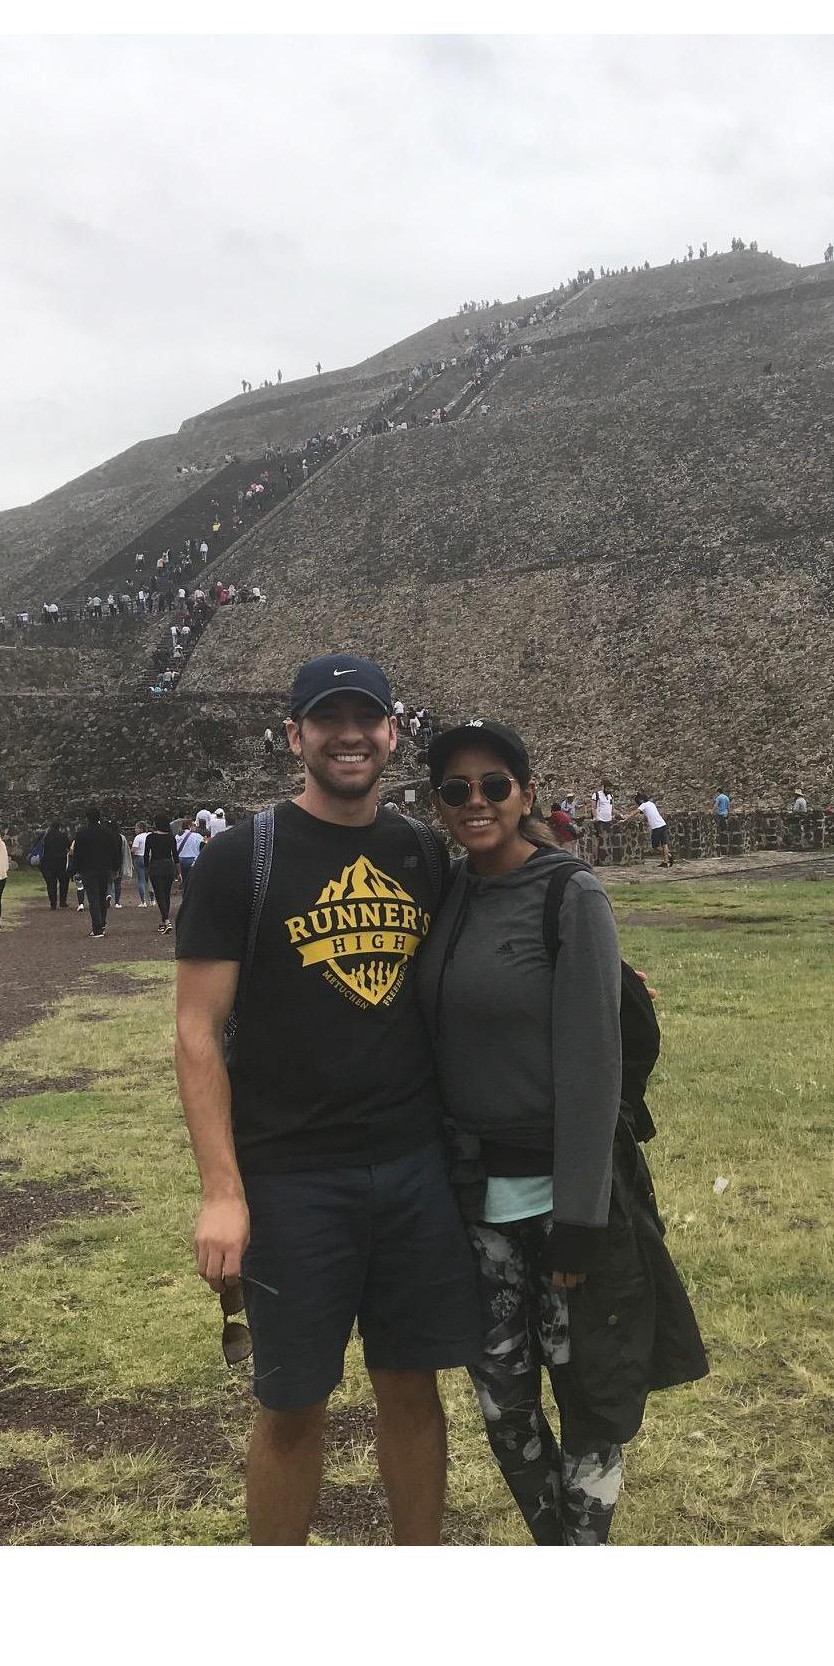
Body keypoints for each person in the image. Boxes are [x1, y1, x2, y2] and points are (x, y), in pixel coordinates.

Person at [174, 654, 482, 1546]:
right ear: (295, 735)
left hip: (415, 1168)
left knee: (413, 1390)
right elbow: (198, 1034)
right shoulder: (242, 859)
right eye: (326, 719)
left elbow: (505, 936)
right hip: (293, 1178)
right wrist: (223, 1193)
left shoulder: (423, 853)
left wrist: (605, 978)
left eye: (366, 719)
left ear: (393, 733)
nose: (348, 735)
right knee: (293, 1406)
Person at [417, 718, 704, 1546]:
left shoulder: (568, 892)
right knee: (504, 1408)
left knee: (592, 1403)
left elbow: (593, 1060)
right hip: (479, 1203)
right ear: (438, 803)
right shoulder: (450, 891)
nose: (476, 802)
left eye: (494, 786)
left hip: (565, 1202)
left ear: (527, 794)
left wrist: (582, 1216)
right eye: (456, 789)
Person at [69, 807, 123, 937]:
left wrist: (74, 869)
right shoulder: (107, 833)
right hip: (104, 868)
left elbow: (77, 853)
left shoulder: (82, 833)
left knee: (93, 898)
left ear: (87, 818)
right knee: (101, 896)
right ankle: (102, 924)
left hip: (88, 869)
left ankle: (97, 927)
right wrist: (116, 867)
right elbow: (114, 851)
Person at [142, 814, 180, 932]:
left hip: (156, 865)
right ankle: (164, 921)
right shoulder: (170, 837)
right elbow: (175, 856)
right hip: (168, 865)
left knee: (159, 894)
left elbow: (146, 855)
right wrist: (178, 871)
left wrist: (147, 868)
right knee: (166, 893)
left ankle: (167, 919)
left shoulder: (151, 837)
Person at [39, 821, 72, 909]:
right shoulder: (63, 836)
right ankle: (62, 901)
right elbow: (69, 847)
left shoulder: (45, 836)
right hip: (61, 862)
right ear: (59, 827)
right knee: (64, 882)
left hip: (48, 862)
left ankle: (53, 903)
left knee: (51, 884)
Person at [634, 792, 672, 868]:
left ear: (640, 800)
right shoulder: (651, 804)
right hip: (663, 824)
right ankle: (666, 860)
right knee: (664, 844)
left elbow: (634, 812)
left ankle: (668, 855)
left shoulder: (644, 805)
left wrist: (626, 819)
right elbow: (648, 815)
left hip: (656, 827)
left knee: (655, 846)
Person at [589, 785, 615, 866]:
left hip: (608, 820)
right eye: (607, 788)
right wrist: (595, 816)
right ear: (603, 787)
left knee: (607, 840)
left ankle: (606, 858)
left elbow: (611, 807)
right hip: (600, 820)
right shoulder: (596, 795)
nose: (608, 790)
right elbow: (593, 807)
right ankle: (597, 859)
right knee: (599, 839)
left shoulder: (610, 795)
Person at [132, 822, 152, 907]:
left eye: (136, 828)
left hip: (139, 857)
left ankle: (143, 901)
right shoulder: (150, 835)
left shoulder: (138, 837)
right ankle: (152, 900)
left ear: (141, 828)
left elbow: (133, 850)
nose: (135, 830)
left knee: (141, 879)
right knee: (150, 879)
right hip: (150, 857)